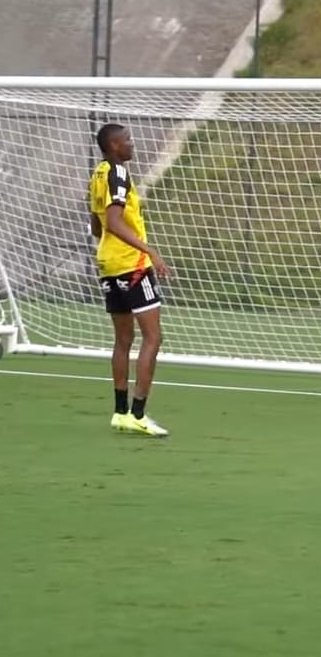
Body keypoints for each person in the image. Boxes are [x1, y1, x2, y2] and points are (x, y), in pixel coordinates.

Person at [89, 123, 171, 437]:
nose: (132, 144)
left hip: (108, 263)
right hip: (131, 264)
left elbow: (96, 226)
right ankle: (138, 413)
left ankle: (120, 412)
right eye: (127, 140)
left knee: (123, 339)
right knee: (153, 337)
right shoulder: (118, 173)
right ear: (113, 145)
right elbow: (112, 221)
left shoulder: (97, 174)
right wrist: (149, 250)